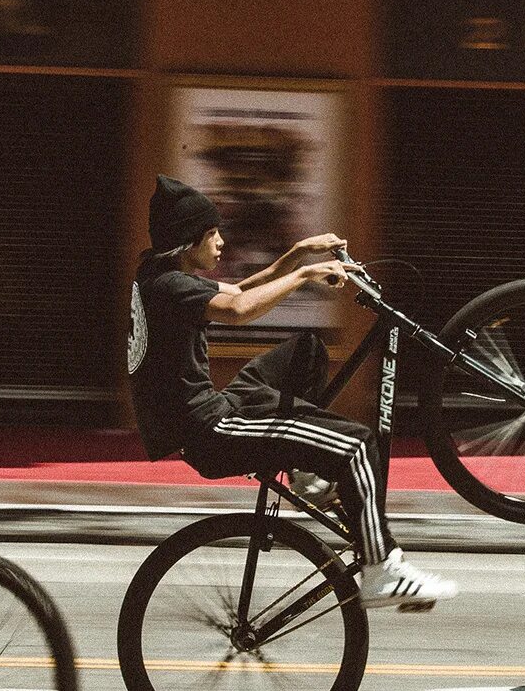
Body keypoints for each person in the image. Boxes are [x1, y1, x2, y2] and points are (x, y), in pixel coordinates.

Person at [127, 174, 454, 608]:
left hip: (214, 410)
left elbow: (241, 289)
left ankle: (306, 473)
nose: (221, 242)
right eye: (212, 233)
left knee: (306, 351)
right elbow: (240, 309)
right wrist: (303, 274)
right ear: (189, 241)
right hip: (211, 430)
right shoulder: (171, 287)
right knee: (357, 445)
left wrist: (298, 253)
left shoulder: (159, 275)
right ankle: (381, 570)